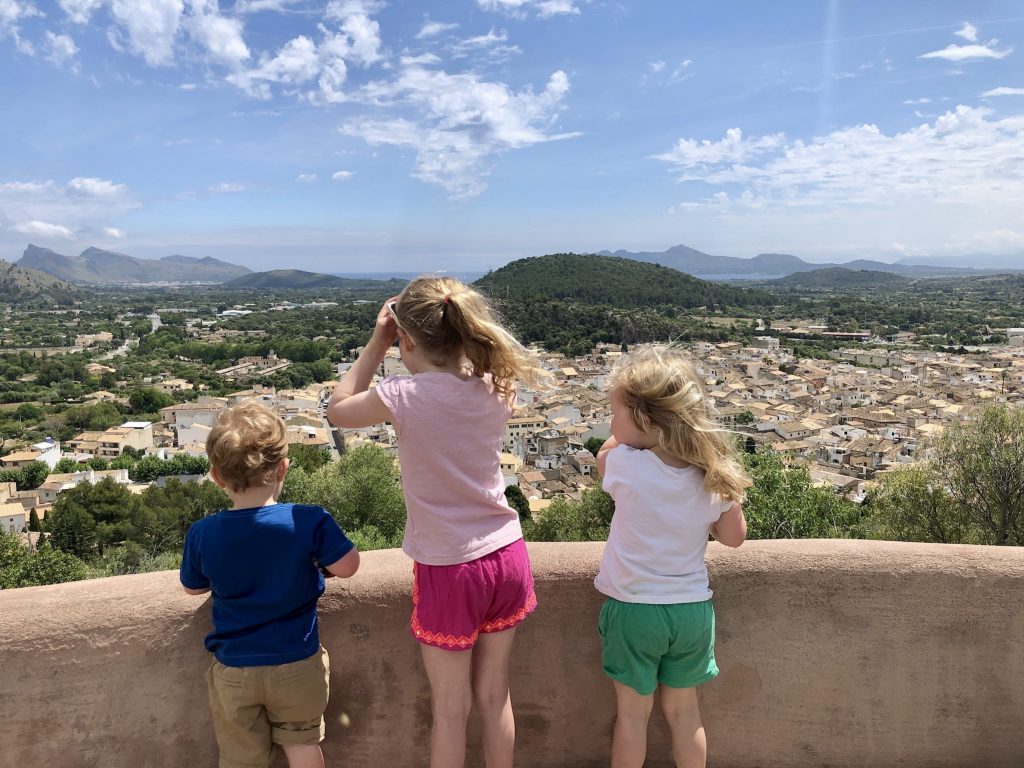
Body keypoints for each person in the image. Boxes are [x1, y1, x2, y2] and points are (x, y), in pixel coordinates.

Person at [326, 276, 551, 768]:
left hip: (450, 565)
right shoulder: (496, 388)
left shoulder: (403, 394)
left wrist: (375, 342)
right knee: (496, 698)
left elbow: (337, 410)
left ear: (404, 339)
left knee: (451, 711)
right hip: (508, 554)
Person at [180, 402, 360, 768]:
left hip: (235, 671)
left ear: (216, 477)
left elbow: (193, 588)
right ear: (283, 468)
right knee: (304, 747)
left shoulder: (202, 533)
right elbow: (349, 566)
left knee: (241, 760)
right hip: (296, 663)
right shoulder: (308, 521)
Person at [594, 347, 750, 768]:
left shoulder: (624, 464)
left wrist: (626, 436)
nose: (611, 423)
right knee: (685, 715)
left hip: (634, 610)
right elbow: (734, 539)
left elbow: (602, 458)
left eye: (616, 413)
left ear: (646, 419)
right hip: (691, 612)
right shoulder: (713, 476)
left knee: (632, 717)